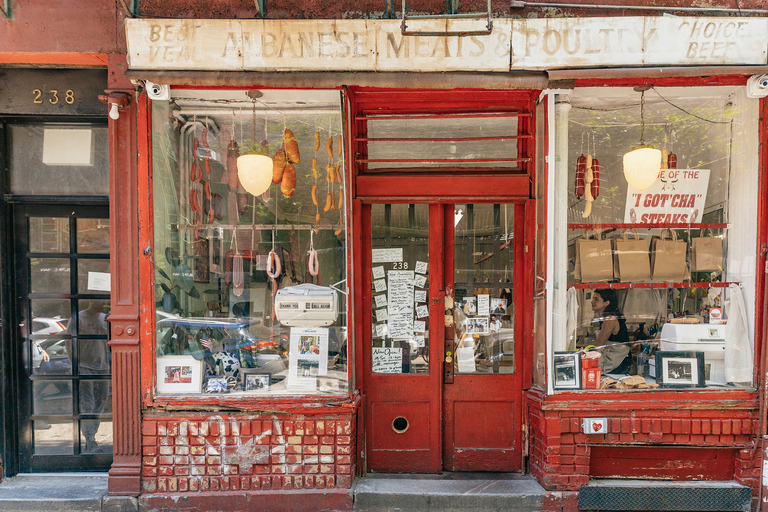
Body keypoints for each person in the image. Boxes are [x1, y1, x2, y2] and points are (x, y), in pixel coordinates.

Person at [66, 300, 111, 453]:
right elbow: (69, 343)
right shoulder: (78, 318)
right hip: (84, 367)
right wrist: (76, 365)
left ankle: (92, 435)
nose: (104, 304)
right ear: (92, 301)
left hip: (102, 366)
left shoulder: (105, 318)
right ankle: (89, 438)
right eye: (102, 301)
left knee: (101, 400)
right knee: (88, 402)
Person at [591, 289, 632, 374]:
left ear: (606, 303)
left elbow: (598, 345)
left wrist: (577, 346)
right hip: (616, 361)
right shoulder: (606, 318)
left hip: (618, 364)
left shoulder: (610, 319)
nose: (592, 301)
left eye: (596, 299)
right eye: (593, 298)